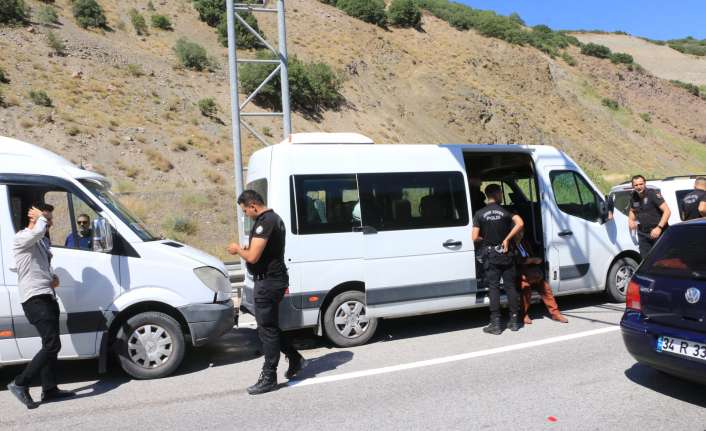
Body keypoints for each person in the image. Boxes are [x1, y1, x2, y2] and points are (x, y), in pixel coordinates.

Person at [227, 190, 305, 395]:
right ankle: (295, 357)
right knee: (269, 327)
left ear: (253, 205)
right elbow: (261, 252)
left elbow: (252, 257)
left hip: (269, 282)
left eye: (246, 211)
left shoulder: (266, 221)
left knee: (266, 330)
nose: (246, 215)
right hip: (272, 280)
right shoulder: (273, 219)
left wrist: (237, 250)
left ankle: (269, 376)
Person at [7, 204, 75, 409]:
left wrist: (51, 277)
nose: (51, 223)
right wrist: (40, 218)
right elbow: (37, 232)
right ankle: (20, 383)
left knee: (50, 344)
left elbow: (38, 265)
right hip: (34, 299)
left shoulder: (40, 241)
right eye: (48, 219)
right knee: (52, 344)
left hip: (46, 295)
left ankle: (50, 389)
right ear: (35, 218)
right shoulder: (22, 237)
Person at [472, 184, 524, 335]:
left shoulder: (480, 213)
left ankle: (496, 324)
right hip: (507, 254)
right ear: (497, 193)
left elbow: (474, 237)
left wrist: (486, 238)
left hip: (491, 255)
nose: (502, 195)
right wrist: (507, 238)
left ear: (487, 195)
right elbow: (520, 223)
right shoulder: (506, 211)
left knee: (493, 288)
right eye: (501, 193)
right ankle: (514, 321)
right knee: (510, 287)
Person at [516, 233, 568, 325]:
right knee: (525, 287)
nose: (521, 234)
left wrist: (535, 259)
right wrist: (532, 260)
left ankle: (555, 313)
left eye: (522, 231)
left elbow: (531, 255)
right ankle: (523, 314)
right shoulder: (511, 244)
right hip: (518, 271)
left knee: (546, 288)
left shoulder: (524, 242)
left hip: (530, 271)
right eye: (519, 231)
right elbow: (516, 260)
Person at [628, 175, 671, 258]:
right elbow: (632, 210)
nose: (639, 187)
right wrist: (630, 220)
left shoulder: (652, 194)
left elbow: (667, 211)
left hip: (658, 233)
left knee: (662, 260)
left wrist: (659, 227)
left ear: (645, 183)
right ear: (633, 186)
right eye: (636, 185)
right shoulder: (633, 196)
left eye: (641, 184)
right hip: (643, 234)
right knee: (646, 260)